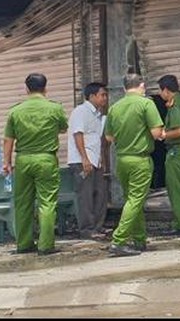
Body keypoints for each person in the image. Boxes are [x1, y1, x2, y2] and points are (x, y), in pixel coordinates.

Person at [2, 73, 68, 255]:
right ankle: (46, 246)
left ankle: (23, 244)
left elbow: (8, 139)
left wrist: (6, 162)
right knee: (47, 202)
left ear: (26, 89)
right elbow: (63, 127)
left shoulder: (16, 111)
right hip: (46, 159)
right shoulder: (55, 108)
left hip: (22, 160)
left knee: (22, 203)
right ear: (46, 88)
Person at [104, 73, 164, 257]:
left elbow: (109, 137)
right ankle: (118, 240)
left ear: (124, 88)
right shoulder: (146, 104)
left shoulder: (114, 107)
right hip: (140, 160)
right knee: (135, 200)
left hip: (122, 160)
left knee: (132, 199)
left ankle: (139, 240)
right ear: (142, 85)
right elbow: (156, 133)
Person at [67, 82, 109, 240]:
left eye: (105, 95)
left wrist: (101, 160)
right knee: (85, 196)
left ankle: (98, 226)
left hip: (95, 160)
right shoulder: (81, 111)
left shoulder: (99, 114)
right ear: (92, 96)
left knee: (100, 193)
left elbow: (98, 140)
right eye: (102, 95)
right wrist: (84, 158)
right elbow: (78, 135)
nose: (105, 98)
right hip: (82, 161)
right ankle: (86, 230)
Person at [157, 74, 180, 236]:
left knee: (175, 188)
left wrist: (163, 135)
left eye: (160, 90)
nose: (160, 94)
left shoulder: (176, 105)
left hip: (177, 150)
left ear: (166, 90)